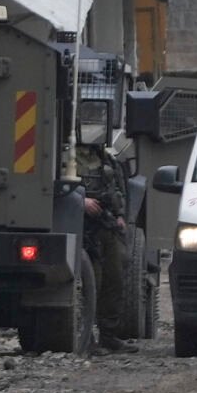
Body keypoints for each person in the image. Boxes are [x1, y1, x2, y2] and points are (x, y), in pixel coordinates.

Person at [78, 133, 138, 353]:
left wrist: (119, 214)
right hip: (83, 227)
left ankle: (109, 335)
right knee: (92, 281)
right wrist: (80, 200)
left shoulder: (107, 158)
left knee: (115, 278)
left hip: (107, 223)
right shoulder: (66, 155)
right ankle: (87, 338)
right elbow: (55, 185)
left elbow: (118, 188)